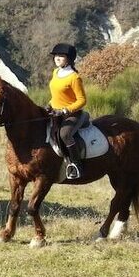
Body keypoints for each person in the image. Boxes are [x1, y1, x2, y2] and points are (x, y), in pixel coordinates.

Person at [45, 43, 87, 180]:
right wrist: (49, 105)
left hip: (72, 114)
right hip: (55, 111)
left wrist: (65, 110)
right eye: (56, 55)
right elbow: (57, 96)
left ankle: (76, 165)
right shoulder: (56, 72)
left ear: (69, 59)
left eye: (61, 56)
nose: (57, 58)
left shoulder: (74, 77)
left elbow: (82, 100)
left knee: (64, 134)